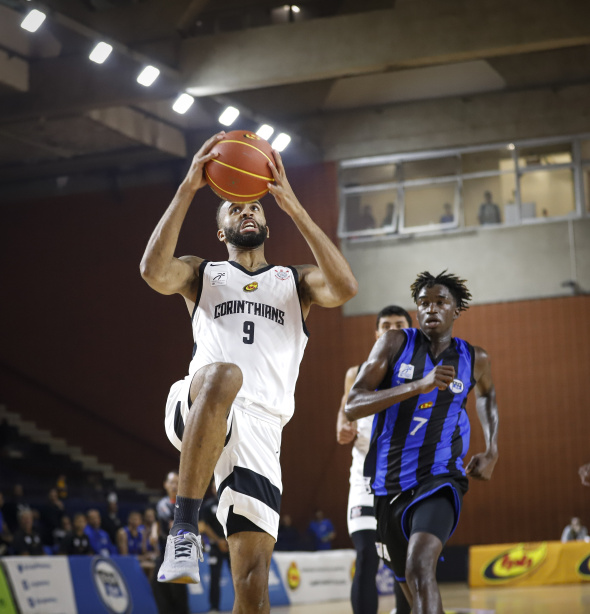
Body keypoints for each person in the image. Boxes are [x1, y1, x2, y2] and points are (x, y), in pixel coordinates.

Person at [140, 131, 357, 610]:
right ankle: (184, 530)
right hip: (200, 401)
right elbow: (153, 272)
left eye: (255, 208)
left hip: (263, 430)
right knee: (225, 375)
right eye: (235, 210)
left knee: (253, 585)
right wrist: (187, 189)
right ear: (222, 232)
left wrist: (294, 206)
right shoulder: (204, 273)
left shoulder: (294, 283)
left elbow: (344, 286)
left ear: (267, 221)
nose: (247, 212)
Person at [345, 271, 499, 614]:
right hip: (388, 485)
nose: (431, 309)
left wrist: (492, 448)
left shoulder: (475, 359)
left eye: (441, 302)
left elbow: (487, 397)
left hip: (440, 478)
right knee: (415, 590)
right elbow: (352, 405)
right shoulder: (394, 343)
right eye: (424, 303)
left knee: (420, 567)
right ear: (416, 310)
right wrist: (418, 385)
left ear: (456, 310)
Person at [336, 305, 412, 614]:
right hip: (365, 478)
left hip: (404, 476)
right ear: (376, 332)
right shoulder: (357, 372)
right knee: (366, 555)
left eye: (399, 323)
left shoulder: (420, 370)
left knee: (402, 559)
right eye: (386, 324)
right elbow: (345, 406)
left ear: (410, 329)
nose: (392, 328)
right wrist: (342, 425)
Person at [152, 471, 188, 614]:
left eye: (177, 483)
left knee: (178, 590)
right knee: (158, 585)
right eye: (172, 482)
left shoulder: (184, 504)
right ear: (165, 485)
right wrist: (154, 532)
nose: (175, 485)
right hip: (163, 552)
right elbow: (157, 522)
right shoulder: (161, 504)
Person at [199, 481, 230, 612]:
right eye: (214, 487)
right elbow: (202, 526)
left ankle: (242, 605)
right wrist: (218, 541)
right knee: (215, 577)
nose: (216, 489)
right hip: (215, 547)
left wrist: (229, 541)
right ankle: (214, 607)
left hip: (231, 546)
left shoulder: (231, 504)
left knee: (238, 576)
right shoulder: (207, 506)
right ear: (211, 489)